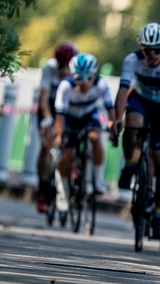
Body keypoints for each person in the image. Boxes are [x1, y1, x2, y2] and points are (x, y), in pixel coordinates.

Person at [111, 23, 160, 239]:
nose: (151, 55)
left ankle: (159, 215)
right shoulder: (132, 60)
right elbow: (123, 90)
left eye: (156, 50)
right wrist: (117, 119)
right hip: (141, 101)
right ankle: (129, 165)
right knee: (132, 123)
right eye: (146, 50)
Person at [53, 53, 116, 213]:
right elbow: (60, 116)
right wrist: (60, 135)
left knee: (95, 137)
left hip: (88, 116)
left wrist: (112, 126)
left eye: (89, 78)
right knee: (67, 154)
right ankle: (63, 189)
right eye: (78, 78)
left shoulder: (101, 84)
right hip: (69, 118)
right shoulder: (65, 86)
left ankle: (98, 180)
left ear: (95, 74)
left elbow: (110, 109)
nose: (84, 83)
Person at [36, 41, 78, 213]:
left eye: (67, 68)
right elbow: (44, 98)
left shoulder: (78, 68)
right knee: (47, 145)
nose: (64, 72)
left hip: (67, 108)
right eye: (62, 67)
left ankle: (74, 169)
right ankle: (43, 189)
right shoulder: (49, 68)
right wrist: (47, 118)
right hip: (50, 107)